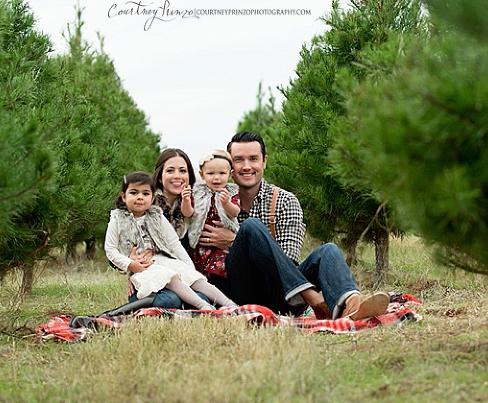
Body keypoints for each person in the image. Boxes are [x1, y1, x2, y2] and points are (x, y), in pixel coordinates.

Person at [199, 131, 390, 320]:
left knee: (328, 250)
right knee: (250, 226)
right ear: (230, 167)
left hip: (283, 295)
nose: (247, 166)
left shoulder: (284, 201)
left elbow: (289, 259)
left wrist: (235, 240)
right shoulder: (210, 203)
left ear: (264, 161)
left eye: (253, 159)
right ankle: (312, 297)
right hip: (239, 291)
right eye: (239, 160)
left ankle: (351, 304)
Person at [104, 171, 236, 311]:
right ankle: (202, 306)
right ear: (123, 197)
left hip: (160, 260)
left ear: (152, 197)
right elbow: (110, 250)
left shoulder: (156, 216)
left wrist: (188, 267)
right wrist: (130, 265)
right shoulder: (117, 219)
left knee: (191, 276)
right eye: (134, 193)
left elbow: (174, 243)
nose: (140, 197)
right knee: (169, 276)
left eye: (145, 194)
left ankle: (229, 304)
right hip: (142, 269)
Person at [185, 149, 240, 281]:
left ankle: (221, 292)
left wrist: (226, 203)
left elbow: (235, 212)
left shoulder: (230, 192)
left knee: (220, 273)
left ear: (230, 174)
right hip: (200, 243)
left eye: (222, 173)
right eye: (210, 173)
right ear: (202, 175)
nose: (216, 178)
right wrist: (186, 202)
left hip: (220, 246)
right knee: (199, 274)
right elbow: (188, 213)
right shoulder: (197, 192)